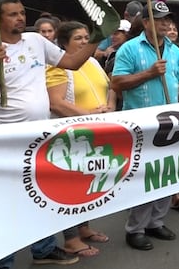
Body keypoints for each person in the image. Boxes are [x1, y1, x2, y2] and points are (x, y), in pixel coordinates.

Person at [0, 0, 99, 266]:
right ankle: (2, 261)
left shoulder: (36, 41)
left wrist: (98, 36)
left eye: (22, 13)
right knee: (5, 205)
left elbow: (72, 63)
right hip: (4, 140)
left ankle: (44, 249)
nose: (20, 18)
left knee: (41, 195)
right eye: (12, 14)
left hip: (40, 136)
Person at [111, 1, 179, 251]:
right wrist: (148, 73)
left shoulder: (175, 50)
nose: (166, 23)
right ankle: (136, 228)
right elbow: (117, 83)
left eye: (168, 19)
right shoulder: (129, 49)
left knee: (168, 173)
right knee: (146, 176)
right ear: (145, 22)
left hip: (170, 121)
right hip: (141, 125)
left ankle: (156, 222)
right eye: (159, 18)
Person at [45, 22, 113, 257]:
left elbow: (109, 87)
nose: (85, 42)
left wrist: (109, 108)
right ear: (63, 43)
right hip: (71, 136)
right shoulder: (57, 66)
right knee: (69, 187)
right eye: (79, 38)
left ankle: (84, 227)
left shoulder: (93, 62)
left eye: (87, 37)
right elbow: (57, 103)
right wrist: (91, 115)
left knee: (87, 183)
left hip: (95, 132)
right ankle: (70, 238)